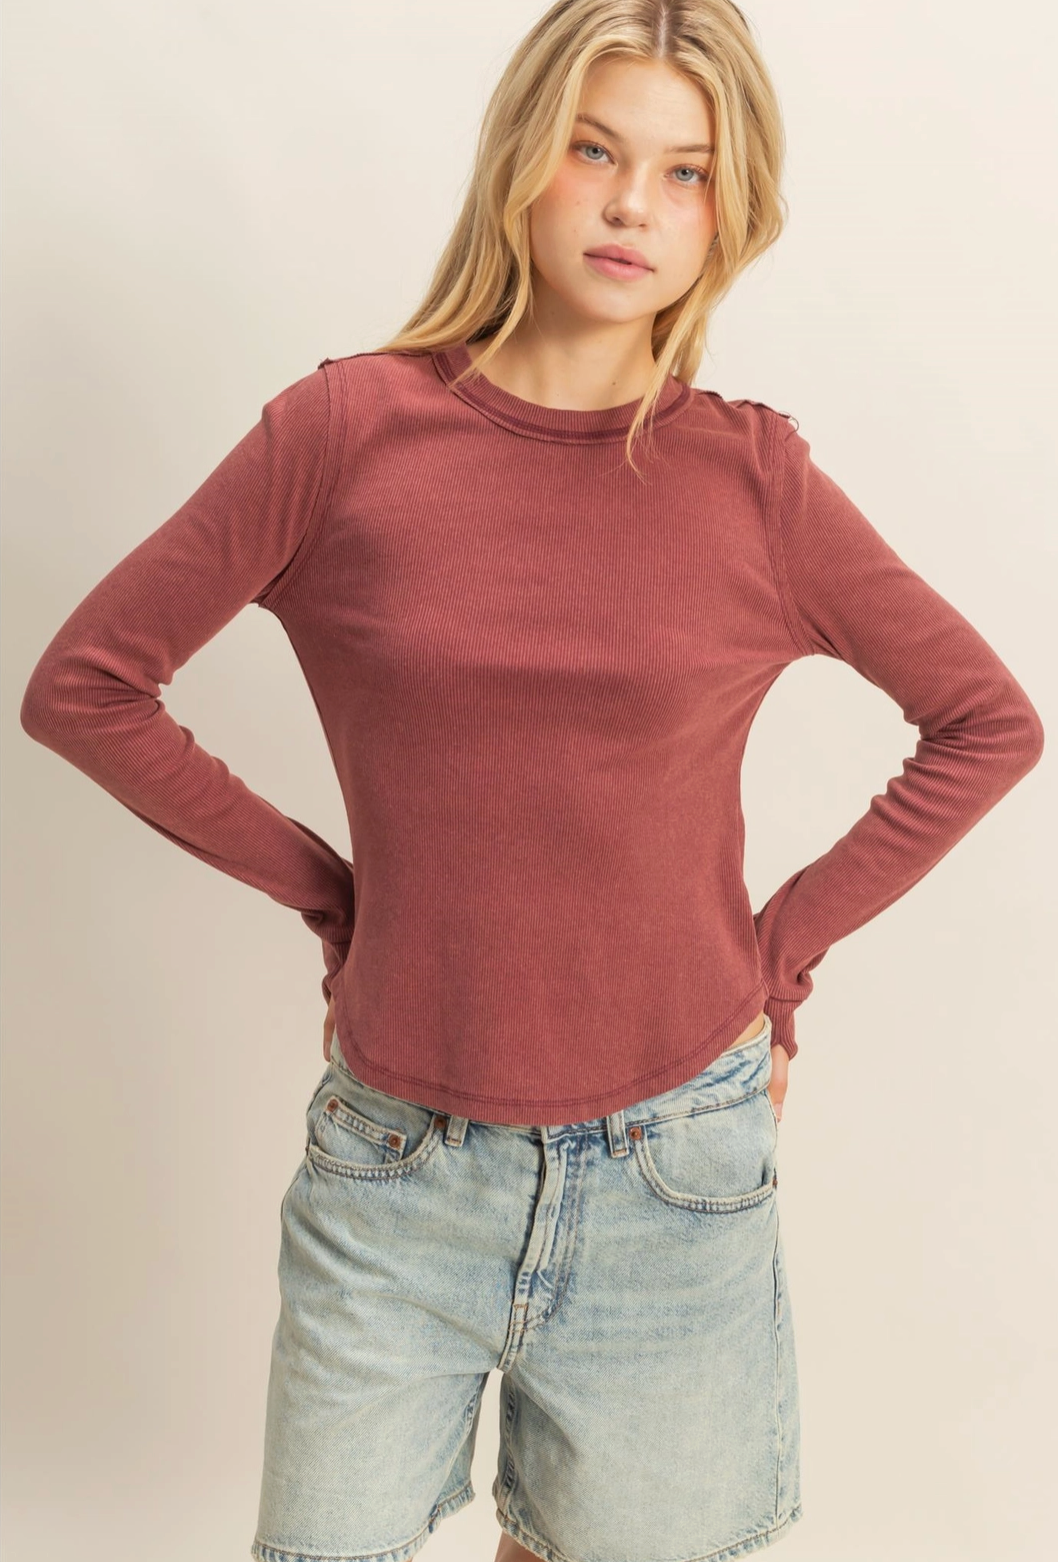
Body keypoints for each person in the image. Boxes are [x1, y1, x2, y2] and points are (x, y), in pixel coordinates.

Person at [19, 3, 1045, 1560]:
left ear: (731, 209)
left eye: (687, 172)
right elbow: (85, 687)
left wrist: (774, 956)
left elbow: (984, 719)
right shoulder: (345, 434)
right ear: (522, 161)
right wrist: (332, 890)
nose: (635, 204)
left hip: (676, 1166)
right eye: (596, 150)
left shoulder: (750, 479)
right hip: (396, 1167)